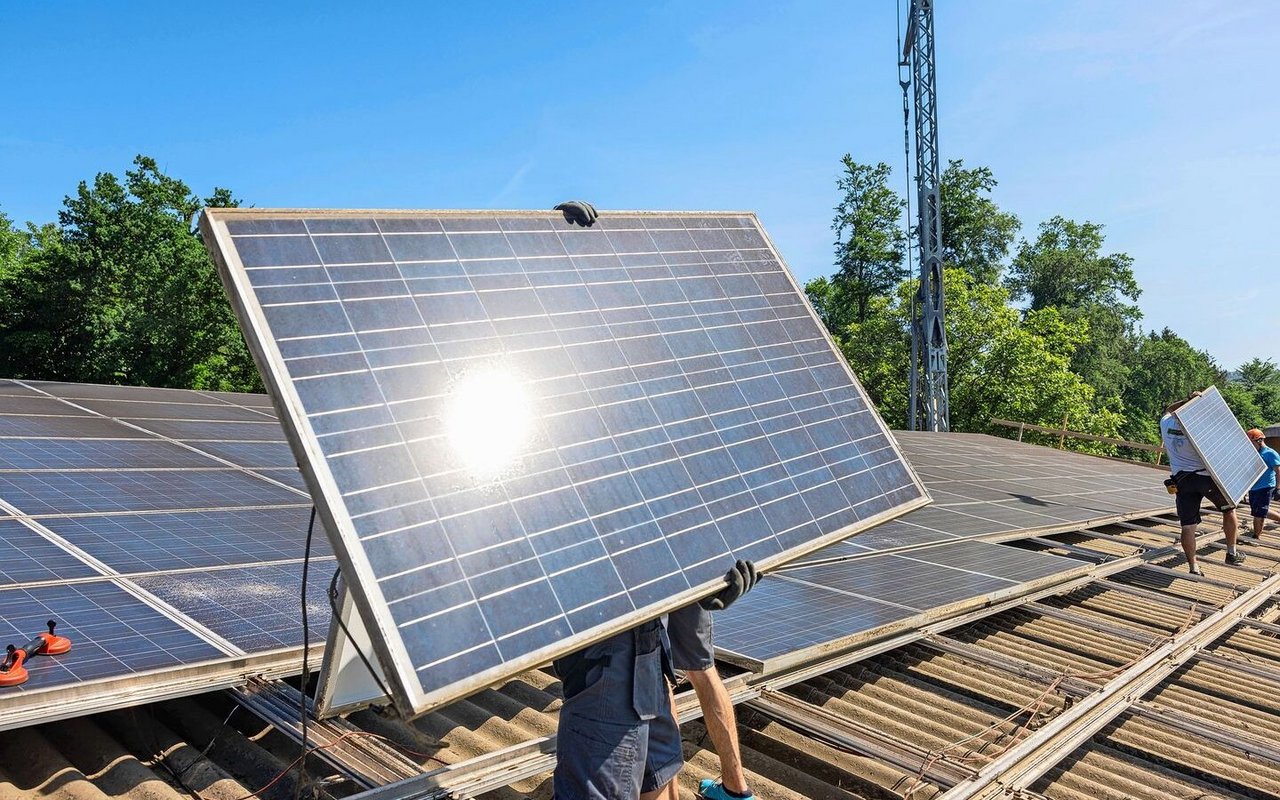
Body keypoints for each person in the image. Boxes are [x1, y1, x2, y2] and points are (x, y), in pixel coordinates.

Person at [552, 561, 759, 800]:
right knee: (680, 668)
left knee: (681, 669)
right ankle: (736, 789)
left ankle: (735, 788)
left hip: (632, 606)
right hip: (639, 595)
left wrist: (709, 573)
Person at [667, 561, 761, 800]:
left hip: (636, 567)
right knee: (703, 669)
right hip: (684, 561)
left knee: (657, 674)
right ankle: (736, 788)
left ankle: (667, 793)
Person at [1160, 393, 1243, 574]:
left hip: (1182, 481)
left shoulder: (1165, 424)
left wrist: (1186, 400)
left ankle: (1193, 566)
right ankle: (1232, 553)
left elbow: (1168, 409)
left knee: (1187, 525)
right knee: (1229, 509)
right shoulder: (1200, 431)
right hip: (1205, 479)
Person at [1245, 428, 1280, 537]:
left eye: (1251, 443)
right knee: (1258, 510)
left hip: (1265, 487)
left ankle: (1256, 536)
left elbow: (1278, 472)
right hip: (1254, 487)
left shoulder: (1270, 453)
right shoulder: (1254, 453)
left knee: (1259, 513)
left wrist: (1278, 488)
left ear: (1259, 441)